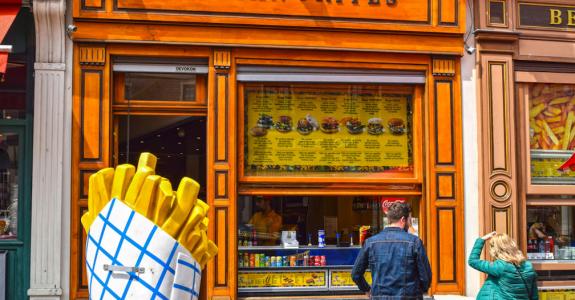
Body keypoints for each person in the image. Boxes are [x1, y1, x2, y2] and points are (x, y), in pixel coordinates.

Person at [352, 202, 431, 299]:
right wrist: (416, 292)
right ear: (403, 219)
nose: (410, 223)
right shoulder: (415, 242)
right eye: (409, 220)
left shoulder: (370, 242)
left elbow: (356, 274)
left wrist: (367, 289)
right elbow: (426, 277)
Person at [468, 231, 538, 300]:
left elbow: (473, 261)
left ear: (495, 249)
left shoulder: (500, 266)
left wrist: (481, 240)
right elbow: (534, 295)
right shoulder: (528, 266)